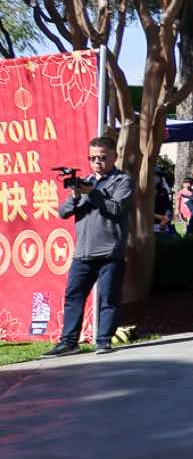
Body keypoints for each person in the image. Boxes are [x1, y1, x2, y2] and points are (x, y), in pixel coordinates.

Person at [48, 134, 133, 358]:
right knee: (73, 296)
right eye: (93, 158)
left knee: (108, 297)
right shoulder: (86, 181)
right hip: (83, 252)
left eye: (102, 157)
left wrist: (92, 193)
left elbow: (115, 208)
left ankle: (103, 340)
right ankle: (68, 342)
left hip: (109, 252)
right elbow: (63, 212)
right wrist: (76, 195)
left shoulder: (122, 181)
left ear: (114, 156)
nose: (97, 162)